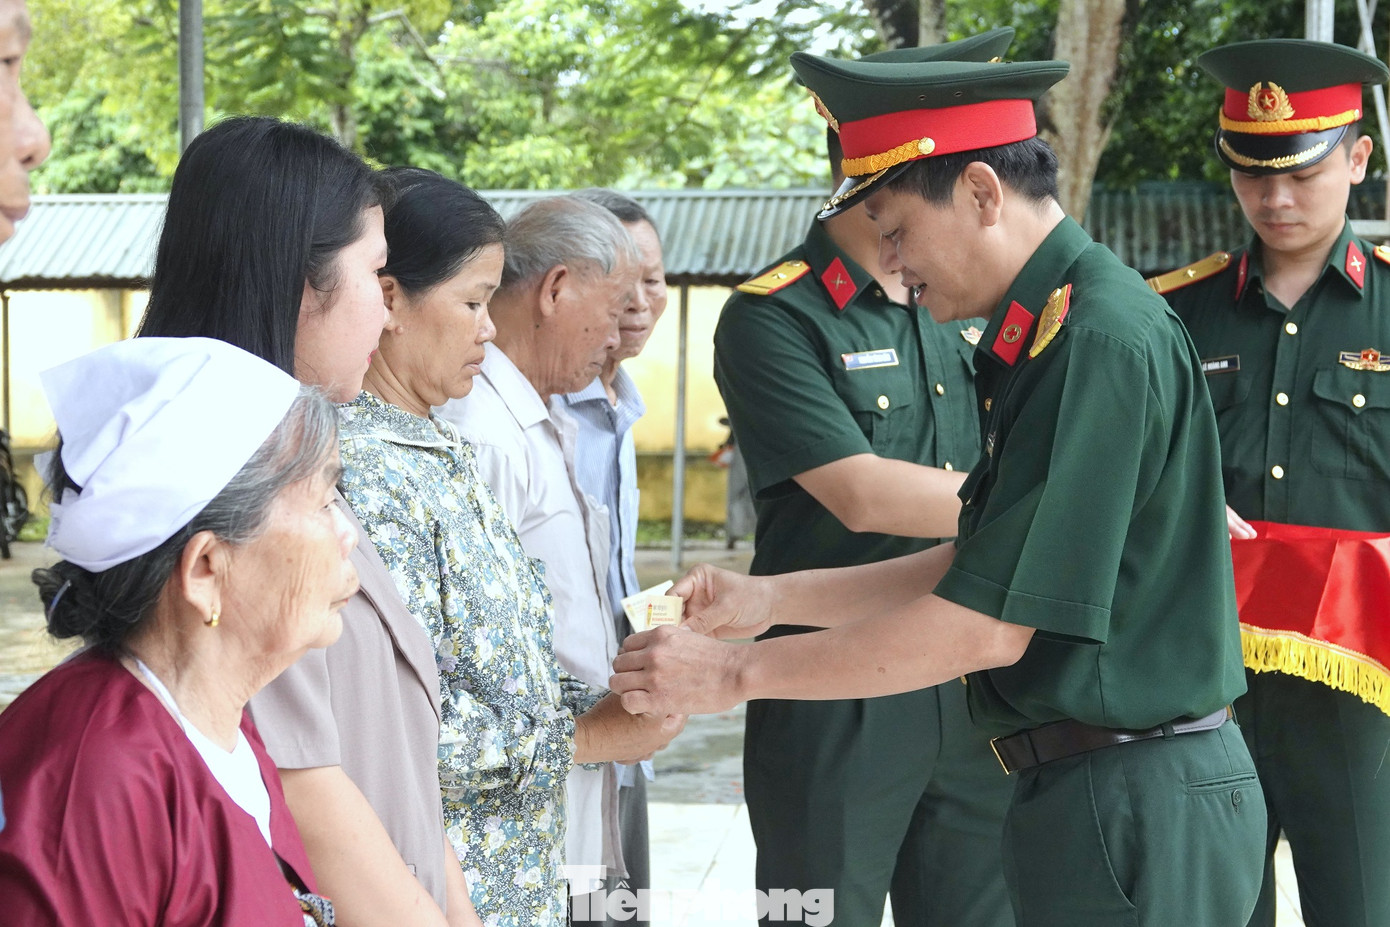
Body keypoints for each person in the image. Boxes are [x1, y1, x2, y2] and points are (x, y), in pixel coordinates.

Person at [611, 52, 1266, 927]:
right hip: (1093, 782)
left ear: (984, 194)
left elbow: (988, 622)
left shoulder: (1093, 340)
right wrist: (768, 597)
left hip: (1133, 794)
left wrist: (730, 671)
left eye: (895, 227)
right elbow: (980, 561)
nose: (892, 261)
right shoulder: (1049, 333)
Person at [136, 117, 476, 927]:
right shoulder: (227, 490)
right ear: (301, 282)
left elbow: (400, 769)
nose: (388, 311)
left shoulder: (304, 460)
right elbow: (306, 786)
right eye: (376, 275)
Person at [712, 31, 1015, 927]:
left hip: (968, 674)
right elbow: (863, 492)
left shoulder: (975, 298)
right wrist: (1054, 501)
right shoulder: (776, 316)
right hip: (827, 690)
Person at [337, 168, 680, 927]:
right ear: (390, 301)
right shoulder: (379, 465)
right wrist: (590, 730)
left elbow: (506, 660)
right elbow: (406, 727)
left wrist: (614, 700)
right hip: (451, 882)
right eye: (471, 302)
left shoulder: (433, 440)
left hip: (518, 866)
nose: (487, 330)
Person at [1151, 39, 1390, 927]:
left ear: (1358, 158)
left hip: (1361, 694)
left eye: (1302, 171)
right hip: (1201, 685)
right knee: (1211, 911)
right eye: (1253, 173)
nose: (1276, 198)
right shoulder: (1172, 314)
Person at [0, 336, 349, 925]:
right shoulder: (98, 781)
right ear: (207, 570)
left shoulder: (220, 727)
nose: (349, 534)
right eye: (323, 501)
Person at [435, 195, 684, 907]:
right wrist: (588, 731)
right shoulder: (478, 428)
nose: (620, 332)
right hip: (516, 790)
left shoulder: (539, 414)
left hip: (574, 765)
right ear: (555, 290)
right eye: (610, 310)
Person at [559, 187, 668, 926]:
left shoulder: (622, 403)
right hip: (564, 731)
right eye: (619, 285)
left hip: (624, 726)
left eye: (652, 280)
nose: (638, 302)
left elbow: (612, 574)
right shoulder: (542, 412)